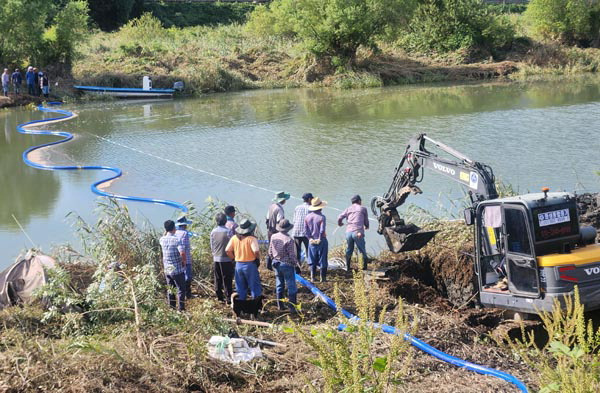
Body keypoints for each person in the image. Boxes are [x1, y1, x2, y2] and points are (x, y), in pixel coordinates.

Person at [226, 219, 262, 301]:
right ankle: (256, 305)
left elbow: (227, 250)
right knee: (254, 286)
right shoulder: (251, 239)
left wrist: (233, 259)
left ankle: (241, 305)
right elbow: (256, 251)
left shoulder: (234, 238)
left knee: (240, 287)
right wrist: (257, 259)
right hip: (250, 265)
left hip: (238, 265)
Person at [268, 218, 299, 312]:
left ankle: (280, 305)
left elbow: (270, 251)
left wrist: (273, 259)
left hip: (276, 263)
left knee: (279, 284)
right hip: (287, 265)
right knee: (291, 286)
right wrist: (296, 264)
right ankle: (292, 307)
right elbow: (291, 255)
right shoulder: (289, 239)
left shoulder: (273, 236)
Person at [159, 220, 186, 311]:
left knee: (170, 289)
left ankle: (172, 307)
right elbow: (182, 253)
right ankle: (181, 308)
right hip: (177, 269)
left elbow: (164, 236)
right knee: (181, 289)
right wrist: (184, 262)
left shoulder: (162, 239)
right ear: (174, 228)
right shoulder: (177, 239)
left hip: (167, 269)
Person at [338, 195, 370, 271]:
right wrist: (366, 226)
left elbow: (339, 217)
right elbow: (366, 220)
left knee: (349, 249)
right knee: (362, 250)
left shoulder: (348, 209)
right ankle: (364, 268)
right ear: (359, 201)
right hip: (358, 232)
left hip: (348, 232)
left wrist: (340, 223)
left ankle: (348, 267)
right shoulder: (363, 208)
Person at [211, 212, 235, 303]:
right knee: (227, 278)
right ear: (225, 221)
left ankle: (219, 296)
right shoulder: (228, 231)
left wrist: (215, 254)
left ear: (217, 221)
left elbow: (212, 246)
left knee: (218, 277)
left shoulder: (213, 231)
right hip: (227, 258)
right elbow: (232, 245)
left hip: (216, 258)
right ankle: (228, 298)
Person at [304, 197, 328, 282]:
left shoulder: (307, 217)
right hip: (321, 241)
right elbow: (322, 230)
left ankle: (312, 277)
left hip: (311, 241)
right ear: (320, 207)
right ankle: (323, 278)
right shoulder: (322, 217)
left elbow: (305, 231)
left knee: (312, 259)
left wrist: (310, 238)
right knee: (323, 259)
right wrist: (319, 238)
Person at [265, 191, 290, 270]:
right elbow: (280, 221)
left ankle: (268, 264)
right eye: (285, 199)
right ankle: (275, 265)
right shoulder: (279, 209)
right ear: (282, 200)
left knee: (271, 247)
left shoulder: (271, 206)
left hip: (270, 230)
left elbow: (267, 218)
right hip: (276, 231)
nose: (285, 201)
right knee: (278, 249)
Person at [292, 193, 313, 267]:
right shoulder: (311, 208)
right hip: (306, 233)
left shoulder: (297, 207)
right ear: (309, 199)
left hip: (296, 231)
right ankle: (310, 266)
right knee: (309, 250)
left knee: (297, 251)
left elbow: (294, 220)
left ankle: (298, 267)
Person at [175, 216, 193, 299]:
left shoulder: (175, 233)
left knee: (180, 275)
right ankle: (187, 294)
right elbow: (185, 248)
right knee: (187, 277)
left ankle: (181, 293)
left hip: (177, 259)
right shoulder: (185, 233)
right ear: (184, 225)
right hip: (186, 258)